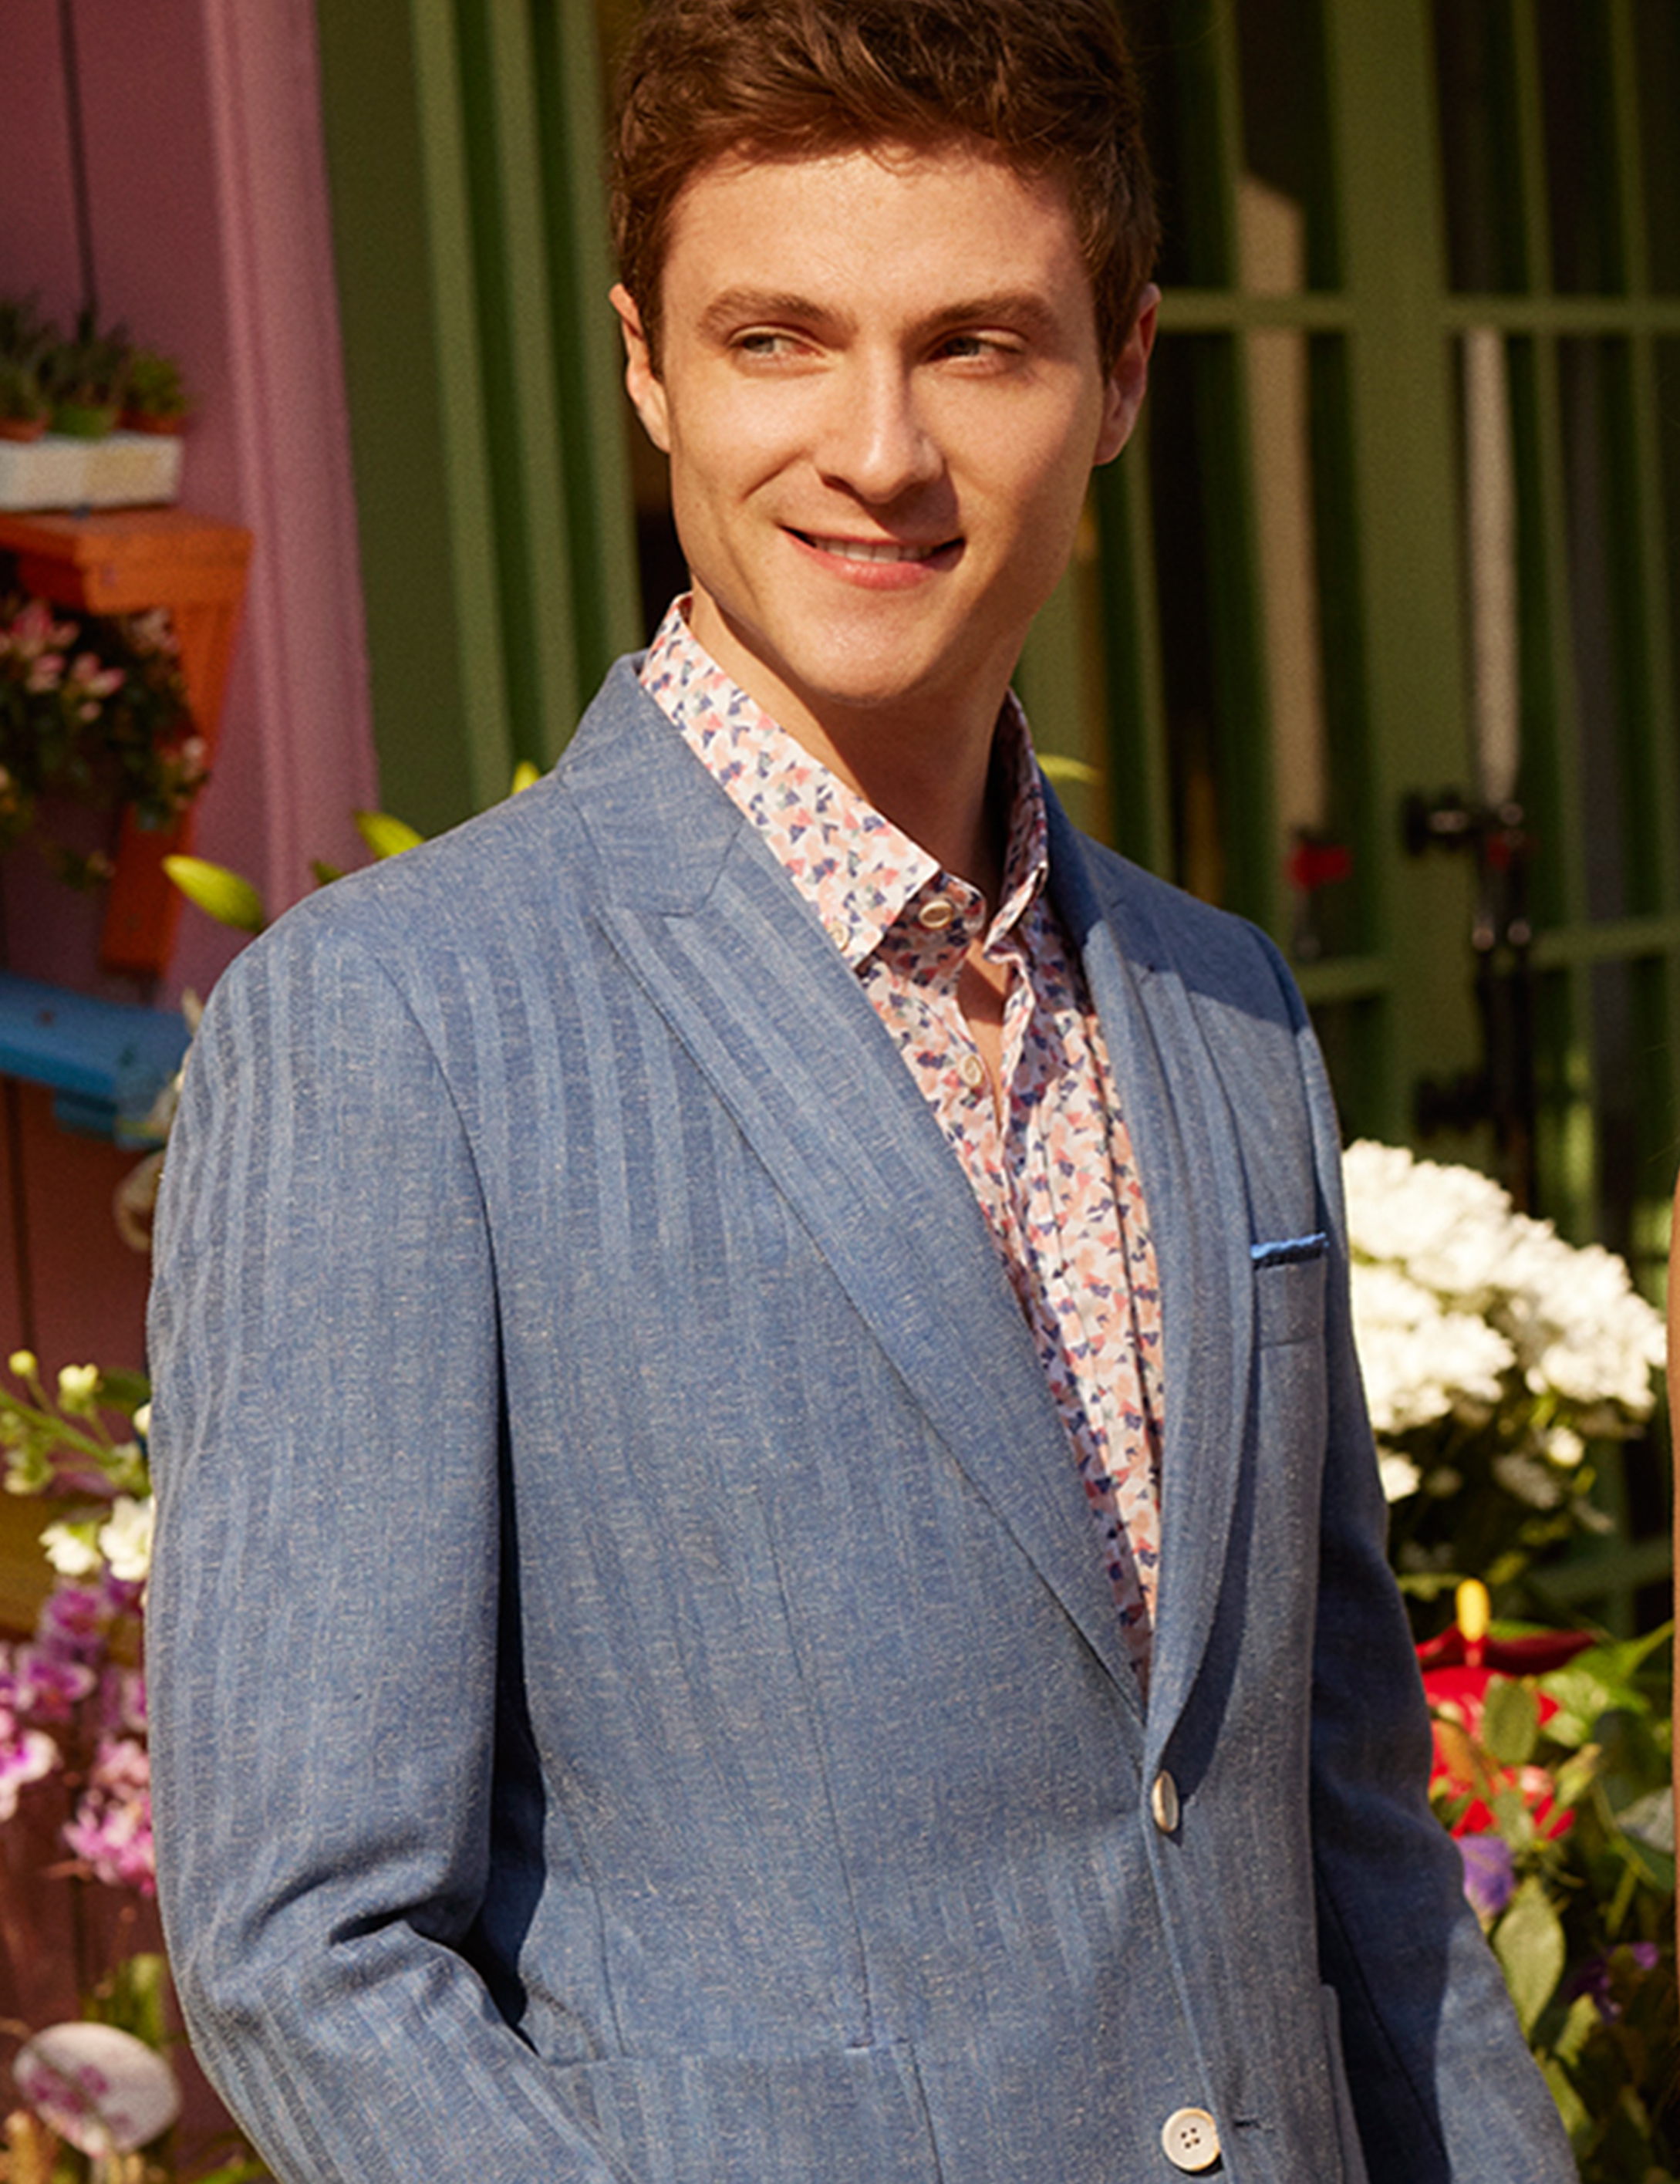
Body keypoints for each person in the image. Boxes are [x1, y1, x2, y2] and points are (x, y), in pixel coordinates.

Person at [146, 2, 1575, 2179]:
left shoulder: (1222, 1007)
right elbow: (305, 1949)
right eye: (777, 341)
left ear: (1123, 376)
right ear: (648, 369)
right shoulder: (388, 1028)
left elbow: (1349, 1821)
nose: (878, 451)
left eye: (977, 346)